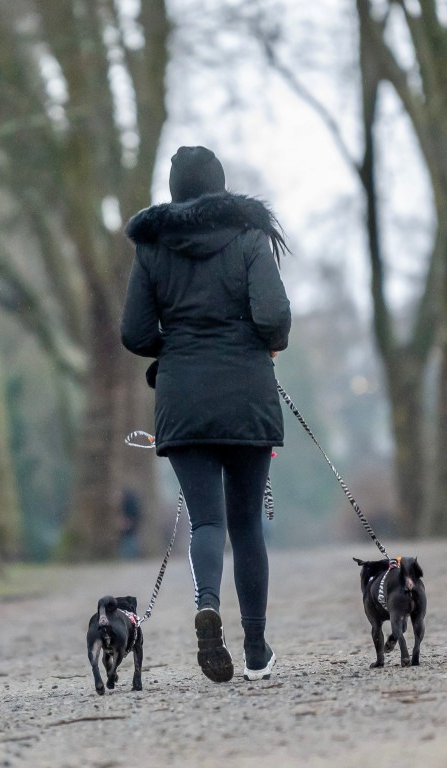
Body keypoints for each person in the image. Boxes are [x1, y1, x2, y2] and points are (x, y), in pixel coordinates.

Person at [121, 145, 291, 683]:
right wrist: (268, 344)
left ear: (174, 191)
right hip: (247, 393)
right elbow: (273, 316)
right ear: (220, 187)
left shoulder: (152, 250)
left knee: (206, 520)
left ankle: (207, 603)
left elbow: (135, 332)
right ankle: (257, 650)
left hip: (184, 397)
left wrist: (174, 348)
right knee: (246, 525)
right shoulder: (249, 239)